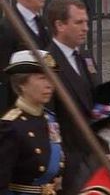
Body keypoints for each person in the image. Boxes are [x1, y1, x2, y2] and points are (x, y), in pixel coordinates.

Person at [46, 0, 100, 194]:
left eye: (86, 22)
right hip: (71, 160)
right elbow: (48, 119)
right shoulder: (47, 62)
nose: (85, 28)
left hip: (96, 155)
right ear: (60, 25)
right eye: (79, 22)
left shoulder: (86, 57)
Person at [0, 50, 64, 194]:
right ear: (22, 84)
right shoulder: (10, 126)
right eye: (42, 78)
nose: (49, 85)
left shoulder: (50, 119)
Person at [0, 0, 51, 115]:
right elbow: (5, 78)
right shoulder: (7, 27)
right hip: (21, 109)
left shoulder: (43, 24)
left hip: (45, 106)